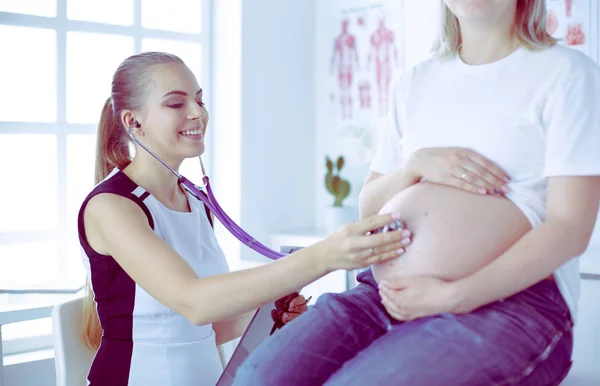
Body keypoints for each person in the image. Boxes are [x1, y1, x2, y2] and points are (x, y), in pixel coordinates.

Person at [233, 0, 600, 384]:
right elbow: (369, 208)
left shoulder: (567, 75)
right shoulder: (416, 82)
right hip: (384, 293)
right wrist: (414, 166)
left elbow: (570, 228)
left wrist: (457, 295)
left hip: (511, 302)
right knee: (258, 378)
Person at [77, 51, 410, 386]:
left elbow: (205, 327)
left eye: (199, 100)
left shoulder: (194, 200)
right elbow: (195, 302)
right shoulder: (111, 207)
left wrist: (267, 314)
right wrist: (325, 255)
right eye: (176, 104)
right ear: (133, 122)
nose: (198, 113)